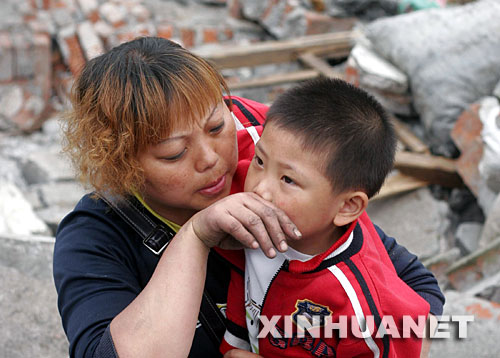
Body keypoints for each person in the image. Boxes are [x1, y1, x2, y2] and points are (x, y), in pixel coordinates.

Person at [53, 36, 444, 358]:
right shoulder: (95, 235)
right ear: (120, 164)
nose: (211, 159)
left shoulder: (267, 150)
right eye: (174, 153)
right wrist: (196, 236)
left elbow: (412, 286)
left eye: (216, 125)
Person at [220, 78, 436, 357]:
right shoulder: (258, 212)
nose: (260, 188)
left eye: (288, 179)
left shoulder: (363, 308)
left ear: (347, 207)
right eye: (260, 161)